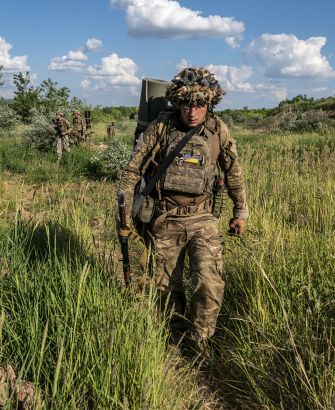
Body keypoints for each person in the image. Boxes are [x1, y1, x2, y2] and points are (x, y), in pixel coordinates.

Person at [117, 67, 249, 347]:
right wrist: (125, 212)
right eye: (187, 104)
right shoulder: (161, 128)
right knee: (167, 286)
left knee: (209, 282)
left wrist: (240, 212)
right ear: (177, 102)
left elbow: (234, 171)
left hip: (203, 218)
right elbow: (132, 171)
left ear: (209, 104)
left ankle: (201, 340)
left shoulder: (217, 130)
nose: (193, 112)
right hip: (165, 218)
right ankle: (174, 338)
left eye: (200, 105)